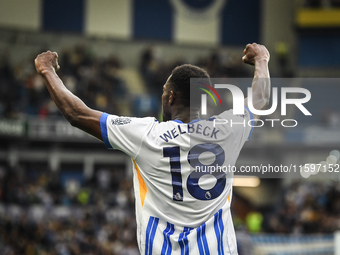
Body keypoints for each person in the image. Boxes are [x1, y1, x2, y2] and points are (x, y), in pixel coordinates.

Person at [35, 43, 270, 254]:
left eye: (164, 93)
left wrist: (47, 70)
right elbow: (260, 99)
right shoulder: (229, 130)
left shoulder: (147, 135)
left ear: (170, 98)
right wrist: (261, 59)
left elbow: (77, 114)